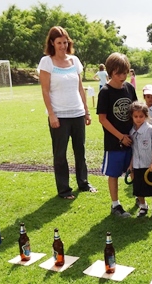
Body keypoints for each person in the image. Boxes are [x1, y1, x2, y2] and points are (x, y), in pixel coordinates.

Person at [37, 26, 96, 200]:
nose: (63, 46)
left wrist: (86, 111)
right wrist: (51, 114)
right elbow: (45, 91)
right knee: (60, 154)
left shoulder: (75, 61)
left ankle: (84, 183)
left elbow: (79, 88)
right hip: (59, 116)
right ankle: (64, 190)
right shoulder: (46, 62)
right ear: (52, 43)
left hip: (77, 113)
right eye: (59, 43)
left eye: (65, 42)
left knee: (80, 150)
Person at [97, 52, 137, 218]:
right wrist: (120, 136)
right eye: (118, 73)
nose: (122, 76)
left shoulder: (129, 88)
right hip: (114, 142)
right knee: (113, 173)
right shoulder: (105, 92)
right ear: (110, 72)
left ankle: (140, 198)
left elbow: (136, 110)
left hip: (132, 138)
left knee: (135, 168)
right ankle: (115, 205)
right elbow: (102, 119)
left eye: (125, 72)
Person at [129, 102, 152, 218]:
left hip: (151, 164)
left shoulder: (151, 129)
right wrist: (130, 165)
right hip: (138, 165)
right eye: (136, 116)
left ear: (146, 116)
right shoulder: (131, 131)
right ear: (132, 117)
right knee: (139, 188)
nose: (138, 119)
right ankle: (143, 206)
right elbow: (132, 149)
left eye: (141, 116)